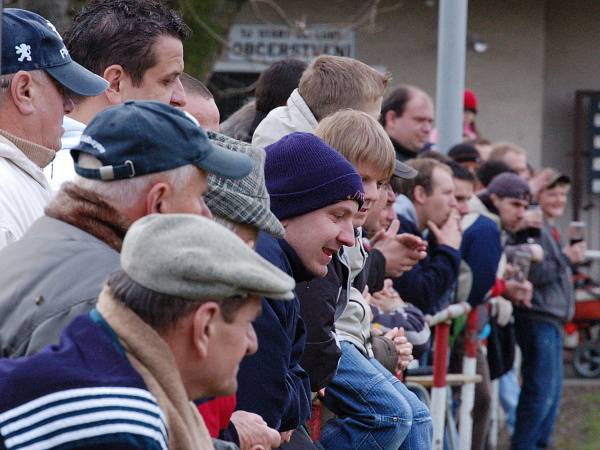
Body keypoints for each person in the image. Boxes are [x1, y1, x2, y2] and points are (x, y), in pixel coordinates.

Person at [0, 213, 296, 450]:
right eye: (247, 324)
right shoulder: (126, 424)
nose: (252, 344)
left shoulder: (94, 343)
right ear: (204, 325)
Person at [0, 101, 252, 358]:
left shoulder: (35, 245)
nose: (206, 215)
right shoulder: (111, 302)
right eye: (200, 197)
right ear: (158, 202)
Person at [311, 109, 432, 450]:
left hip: (348, 344)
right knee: (390, 415)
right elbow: (320, 315)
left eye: (379, 183)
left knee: (418, 416)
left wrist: (378, 338)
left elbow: (350, 306)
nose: (375, 194)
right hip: (332, 348)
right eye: (363, 179)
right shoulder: (322, 231)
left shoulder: (357, 232)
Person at [236, 132, 365, 447]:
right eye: (337, 216)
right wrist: (292, 398)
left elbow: (296, 379)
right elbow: (267, 409)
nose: (350, 238)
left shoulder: (278, 265)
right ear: (287, 210)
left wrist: (292, 396)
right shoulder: (263, 272)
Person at [44, 0, 190, 190]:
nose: (181, 98)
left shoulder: (40, 165)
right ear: (115, 83)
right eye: (167, 81)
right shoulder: (107, 182)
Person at [0, 8, 108, 249]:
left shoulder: (17, 174)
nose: (69, 106)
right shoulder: (5, 186)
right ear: (24, 91)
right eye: (62, 89)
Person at [511, 170, 583, 450]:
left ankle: (539, 444)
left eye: (563, 194)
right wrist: (567, 258)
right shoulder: (533, 228)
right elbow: (534, 274)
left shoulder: (549, 228)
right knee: (540, 392)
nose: (559, 199)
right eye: (552, 193)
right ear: (537, 196)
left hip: (550, 319)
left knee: (550, 394)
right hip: (538, 317)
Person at [252, 55, 389, 148]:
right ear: (342, 120)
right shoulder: (308, 167)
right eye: (371, 121)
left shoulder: (279, 135)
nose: (377, 130)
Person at [393, 158, 462, 314]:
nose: (454, 204)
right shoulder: (398, 227)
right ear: (421, 194)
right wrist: (448, 250)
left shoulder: (427, 232)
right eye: (447, 193)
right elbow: (420, 296)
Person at [380, 84, 434, 161]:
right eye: (419, 120)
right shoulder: (373, 163)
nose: (427, 129)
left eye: (430, 121)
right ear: (392, 119)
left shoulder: (429, 161)